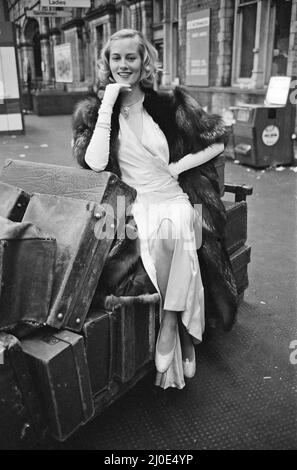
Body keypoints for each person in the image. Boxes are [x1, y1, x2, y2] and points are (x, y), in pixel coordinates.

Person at [72, 29, 238, 390]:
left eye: (131, 57)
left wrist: (178, 168)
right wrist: (108, 103)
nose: (123, 64)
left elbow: (218, 139)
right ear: (107, 62)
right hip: (133, 200)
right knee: (161, 237)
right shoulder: (100, 110)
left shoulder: (168, 103)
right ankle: (183, 333)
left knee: (176, 228)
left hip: (171, 193)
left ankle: (170, 320)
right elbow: (96, 163)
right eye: (116, 58)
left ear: (144, 61)